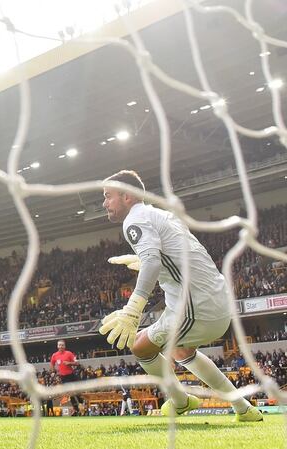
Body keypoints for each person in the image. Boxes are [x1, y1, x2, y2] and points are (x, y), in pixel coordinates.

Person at [99, 170, 262, 421]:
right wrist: (145, 261)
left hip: (196, 306)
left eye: (108, 196)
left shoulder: (134, 220)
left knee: (140, 346)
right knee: (182, 352)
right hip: (213, 300)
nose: (104, 203)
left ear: (127, 196)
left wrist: (133, 310)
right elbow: (177, 257)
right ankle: (244, 409)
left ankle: (181, 402)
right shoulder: (162, 215)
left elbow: (154, 261)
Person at [50, 340, 84, 416]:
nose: (61, 346)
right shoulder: (54, 355)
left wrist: (69, 363)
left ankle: (81, 404)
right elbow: (52, 363)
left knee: (77, 391)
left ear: (64, 346)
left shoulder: (69, 353)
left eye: (62, 345)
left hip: (72, 375)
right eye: (59, 345)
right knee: (70, 392)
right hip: (63, 377)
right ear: (57, 346)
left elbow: (77, 363)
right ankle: (76, 409)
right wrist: (53, 371)